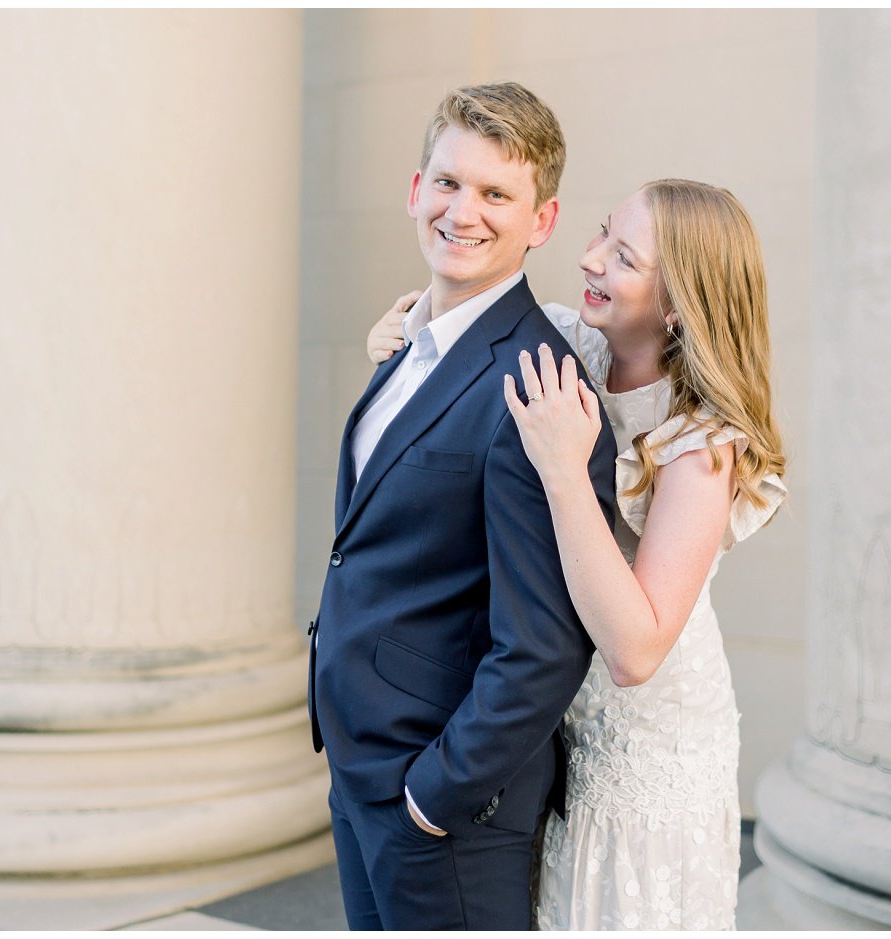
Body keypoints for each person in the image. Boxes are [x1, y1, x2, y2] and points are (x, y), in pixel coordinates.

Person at [367, 179, 787, 929]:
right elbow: (452, 324)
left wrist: (565, 469)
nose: (589, 259)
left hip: (648, 749)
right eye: (600, 234)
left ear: (677, 305)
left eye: (622, 257)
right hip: (557, 727)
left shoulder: (702, 447)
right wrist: (400, 330)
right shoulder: (568, 342)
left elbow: (635, 649)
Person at [308, 82, 618, 930]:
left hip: (442, 806)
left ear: (541, 221)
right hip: (364, 766)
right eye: (448, 183)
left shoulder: (536, 382)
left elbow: (547, 643)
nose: (463, 212)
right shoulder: (411, 341)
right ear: (415, 190)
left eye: (496, 194)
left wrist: (433, 797)